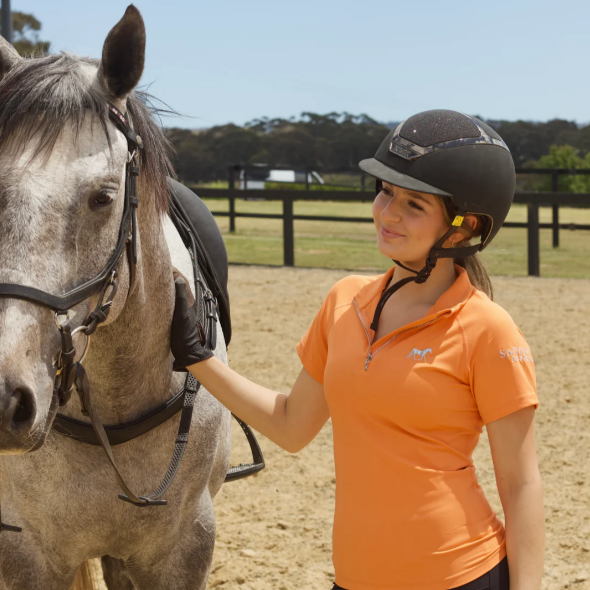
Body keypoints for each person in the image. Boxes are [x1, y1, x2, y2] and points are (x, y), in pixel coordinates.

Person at [170, 110, 544, 590]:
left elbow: (520, 483)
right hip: (354, 578)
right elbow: (290, 425)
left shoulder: (488, 329)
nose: (388, 213)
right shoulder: (344, 301)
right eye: (386, 192)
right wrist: (199, 357)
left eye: (414, 205)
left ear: (463, 225)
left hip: (459, 575)